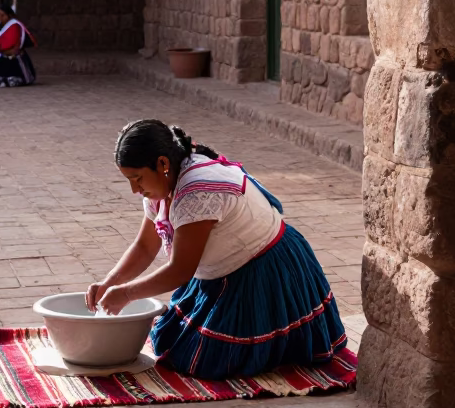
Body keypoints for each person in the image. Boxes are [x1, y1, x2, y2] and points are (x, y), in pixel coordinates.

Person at [85, 119, 347, 379]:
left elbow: (180, 271)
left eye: (138, 178)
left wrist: (128, 293)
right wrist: (109, 283)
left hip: (265, 270)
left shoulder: (197, 192)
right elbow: (144, 247)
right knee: (167, 339)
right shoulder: (164, 185)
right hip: (219, 272)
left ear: (163, 164)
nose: (134, 189)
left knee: (203, 360)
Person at [0, 2, 36, 88]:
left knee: (13, 78)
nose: (0, 17)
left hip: (15, 58)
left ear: (9, 15)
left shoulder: (15, 26)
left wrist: (3, 51)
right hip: (2, 57)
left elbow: (15, 49)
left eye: (3, 15)